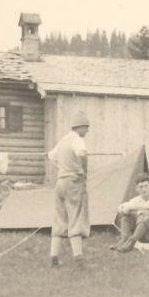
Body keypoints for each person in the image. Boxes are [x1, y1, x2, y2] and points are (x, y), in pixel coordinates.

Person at [47, 111, 91, 268]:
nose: (87, 131)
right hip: (74, 182)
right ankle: (79, 260)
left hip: (60, 182)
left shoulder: (63, 140)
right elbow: (82, 155)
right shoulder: (77, 140)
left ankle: (54, 258)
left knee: (59, 220)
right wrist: (83, 173)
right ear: (80, 127)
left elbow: (51, 156)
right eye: (86, 128)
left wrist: (61, 168)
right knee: (76, 219)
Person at [112, 174, 149, 252]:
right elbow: (121, 209)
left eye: (146, 186)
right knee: (125, 216)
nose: (144, 189)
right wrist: (126, 208)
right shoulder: (136, 199)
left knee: (146, 217)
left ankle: (132, 242)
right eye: (141, 187)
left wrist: (131, 207)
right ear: (137, 189)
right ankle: (124, 239)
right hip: (141, 233)